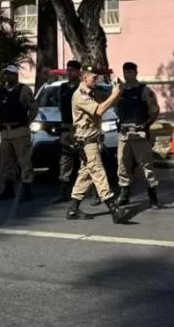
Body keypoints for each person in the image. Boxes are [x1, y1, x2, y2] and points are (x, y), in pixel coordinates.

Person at [66, 65, 134, 223]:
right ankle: (114, 209)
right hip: (87, 142)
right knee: (98, 172)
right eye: (93, 78)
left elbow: (108, 102)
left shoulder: (91, 93)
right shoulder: (80, 96)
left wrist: (118, 90)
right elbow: (99, 110)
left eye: (97, 77)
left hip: (93, 141)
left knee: (85, 175)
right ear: (84, 78)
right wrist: (114, 94)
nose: (96, 80)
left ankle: (73, 209)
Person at [115, 61, 161, 209]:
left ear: (135, 73)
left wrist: (146, 124)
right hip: (124, 135)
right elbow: (115, 108)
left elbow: (154, 110)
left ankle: (153, 197)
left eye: (130, 71)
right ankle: (124, 195)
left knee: (147, 166)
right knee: (123, 165)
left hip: (139, 135)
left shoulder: (144, 90)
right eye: (125, 71)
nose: (127, 74)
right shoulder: (119, 91)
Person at [0, 64, 38, 202]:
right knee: (6, 162)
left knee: (24, 161)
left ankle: (26, 189)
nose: (6, 76)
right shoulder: (1, 91)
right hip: (6, 131)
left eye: (9, 74)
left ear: (15, 75)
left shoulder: (23, 90)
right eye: (5, 74)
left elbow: (33, 108)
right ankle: (9, 189)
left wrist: (26, 123)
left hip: (19, 130)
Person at [51, 60, 83, 204]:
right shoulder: (62, 88)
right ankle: (63, 191)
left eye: (72, 70)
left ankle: (95, 193)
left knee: (88, 161)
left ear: (78, 72)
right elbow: (60, 104)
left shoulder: (83, 88)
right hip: (66, 130)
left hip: (80, 129)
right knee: (65, 161)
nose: (69, 73)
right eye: (68, 70)